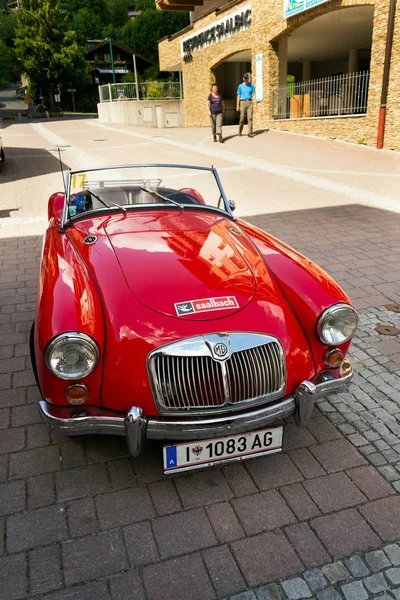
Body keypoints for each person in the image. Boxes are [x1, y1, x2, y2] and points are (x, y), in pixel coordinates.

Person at [236, 73, 256, 137]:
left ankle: (249, 132)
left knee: (250, 117)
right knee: (242, 118)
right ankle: (240, 131)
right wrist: (237, 105)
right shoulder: (240, 86)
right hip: (243, 102)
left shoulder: (251, 85)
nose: (246, 79)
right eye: (244, 78)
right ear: (243, 78)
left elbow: (253, 95)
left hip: (250, 102)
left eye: (247, 78)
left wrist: (255, 103)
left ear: (248, 78)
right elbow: (238, 95)